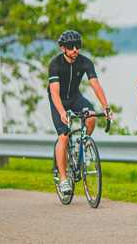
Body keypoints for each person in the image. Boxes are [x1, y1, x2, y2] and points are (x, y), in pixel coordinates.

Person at [47, 30, 113, 195]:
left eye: (78, 46)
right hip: (58, 101)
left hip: (76, 98)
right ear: (63, 48)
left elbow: (95, 85)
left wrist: (106, 106)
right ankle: (63, 180)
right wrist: (62, 112)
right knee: (63, 135)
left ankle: (82, 144)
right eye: (71, 46)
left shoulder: (85, 62)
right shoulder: (55, 64)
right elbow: (54, 92)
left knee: (90, 117)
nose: (75, 49)